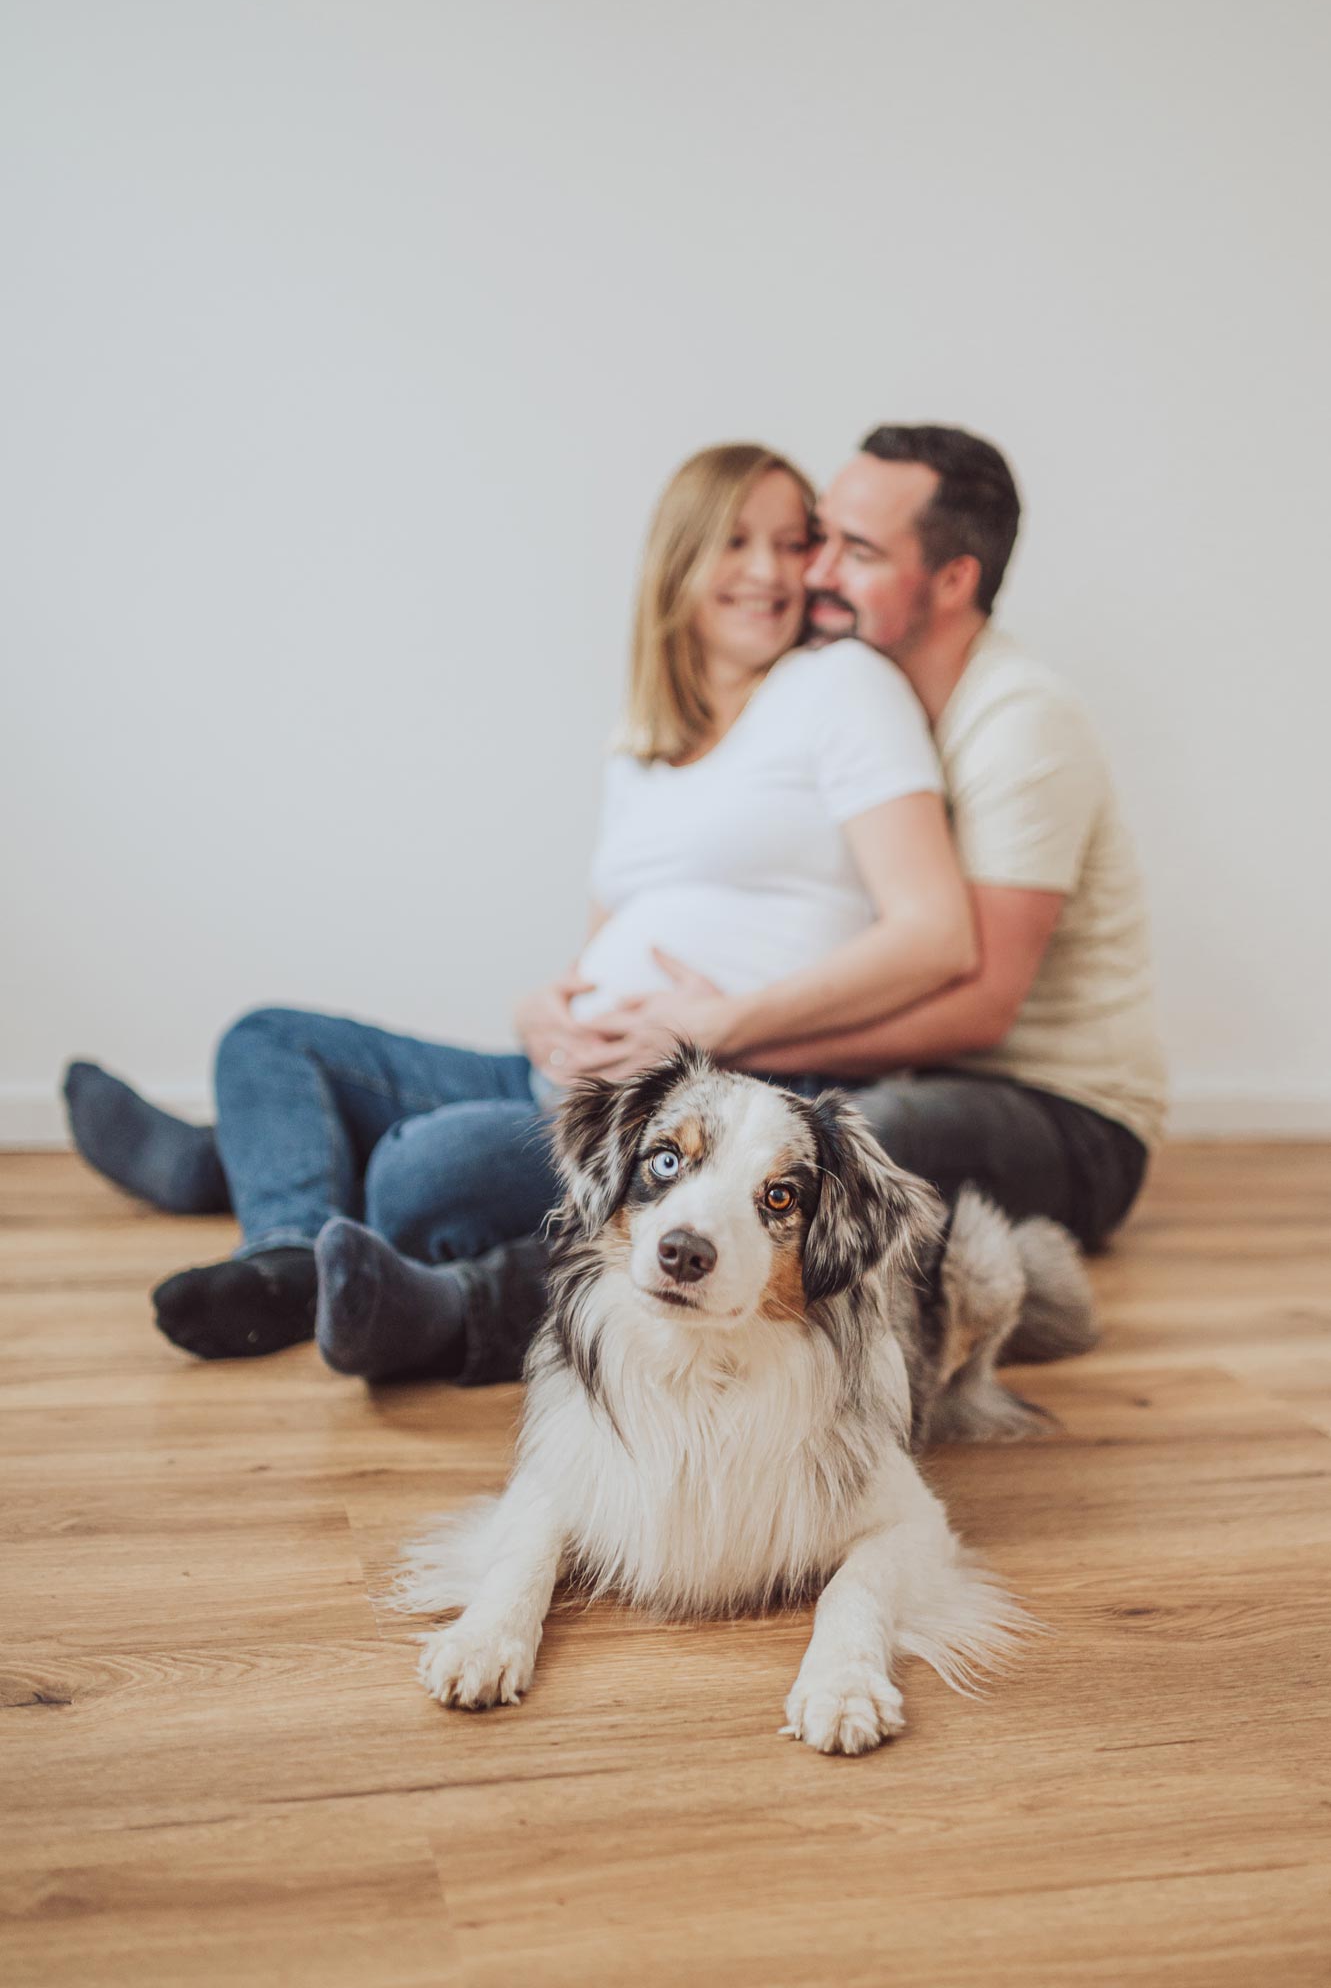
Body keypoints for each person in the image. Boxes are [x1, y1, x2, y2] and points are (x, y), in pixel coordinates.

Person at [276, 421, 1168, 1387]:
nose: (810, 571)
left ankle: (462, 1315)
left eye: (849, 550)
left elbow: (979, 996)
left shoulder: (1015, 723)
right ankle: (279, 1206)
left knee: (853, 1145)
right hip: (872, 1058)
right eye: (813, 537)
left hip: (1056, 1107)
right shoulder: (848, 695)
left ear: (951, 580)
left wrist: (719, 1041)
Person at [63, 440, 977, 1364]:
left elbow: (934, 934)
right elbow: (604, 943)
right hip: (572, 1073)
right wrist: (541, 1004)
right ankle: (285, 1253)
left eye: (792, 543)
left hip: (701, 1100)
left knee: (426, 1171)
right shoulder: (644, 745)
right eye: (735, 541)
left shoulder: (840, 687)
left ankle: (233, 1164)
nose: (771, 573)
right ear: (677, 560)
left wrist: (717, 1027)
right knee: (268, 1039)